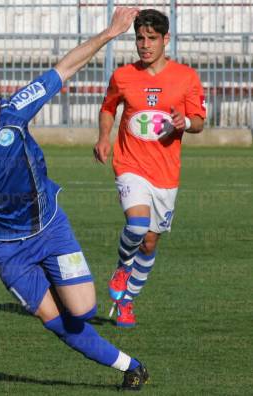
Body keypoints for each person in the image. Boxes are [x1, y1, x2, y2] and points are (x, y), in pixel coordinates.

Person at [0, 7, 149, 391]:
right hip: (6, 248)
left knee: (83, 311)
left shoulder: (15, 111)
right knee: (55, 321)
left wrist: (109, 33)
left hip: (49, 226)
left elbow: (65, 68)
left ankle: (59, 283)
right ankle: (130, 367)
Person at [93, 9, 206, 328]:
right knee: (138, 224)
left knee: (150, 242)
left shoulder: (186, 78)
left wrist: (187, 123)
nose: (144, 44)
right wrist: (104, 137)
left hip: (166, 173)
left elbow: (199, 121)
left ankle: (127, 301)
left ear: (165, 39)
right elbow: (108, 107)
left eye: (151, 38)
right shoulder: (123, 76)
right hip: (130, 164)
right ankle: (121, 268)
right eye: (140, 38)